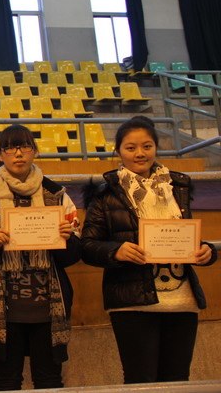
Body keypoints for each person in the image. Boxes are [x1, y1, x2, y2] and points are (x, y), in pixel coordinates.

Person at [82, 115, 216, 384]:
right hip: (133, 301)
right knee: (140, 380)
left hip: (182, 302)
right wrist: (116, 252)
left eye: (147, 146)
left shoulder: (178, 187)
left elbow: (188, 237)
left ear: (156, 147)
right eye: (131, 148)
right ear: (118, 151)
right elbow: (86, 246)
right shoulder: (104, 194)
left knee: (178, 381)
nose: (140, 153)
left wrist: (207, 251)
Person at [0, 125, 80, 391]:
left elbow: (75, 254)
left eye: (25, 146)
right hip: (4, 309)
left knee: (50, 381)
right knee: (6, 381)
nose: (18, 153)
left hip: (49, 307)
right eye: (10, 148)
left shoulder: (57, 194)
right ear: (0, 154)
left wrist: (67, 240)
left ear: (34, 151)